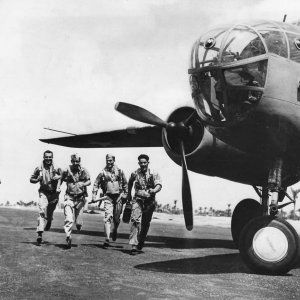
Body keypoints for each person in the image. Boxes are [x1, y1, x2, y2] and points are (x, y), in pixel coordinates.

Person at [127, 154, 162, 255]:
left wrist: (154, 190)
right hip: (138, 200)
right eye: (141, 163)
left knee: (145, 224)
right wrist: (129, 194)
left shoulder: (153, 174)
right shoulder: (135, 173)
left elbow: (159, 185)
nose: (143, 164)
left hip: (149, 201)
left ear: (148, 163)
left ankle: (141, 242)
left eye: (144, 163)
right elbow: (130, 183)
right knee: (134, 220)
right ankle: (133, 245)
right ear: (138, 163)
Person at [91, 154, 127, 248]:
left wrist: (125, 194)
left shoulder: (120, 171)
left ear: (114, 160)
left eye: (110, 160)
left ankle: (115, 229)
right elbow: (96, 184)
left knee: (116, 219)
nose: (109, 162)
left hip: (119, 197)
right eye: (107, 160)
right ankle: (107, 239)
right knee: (107, 218)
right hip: (108, 198)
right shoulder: (102, 173)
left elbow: (125, 184)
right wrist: (94, 195)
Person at [58, 153, 91, 249]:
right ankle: (68, 236)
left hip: (80, 199)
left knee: (79, 223)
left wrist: (83, 184)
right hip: (69, 197)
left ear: (79, 161)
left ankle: (79, 224)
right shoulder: (67, 170)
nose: (75, 163)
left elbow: (89, 181)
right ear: (71, 161)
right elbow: (61, 178)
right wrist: (58, 187)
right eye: (73, 161)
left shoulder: (84, 170)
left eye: (77, 161)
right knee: (69, 218)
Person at [30, 150, 62, 246]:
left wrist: (58, 177)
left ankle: (49, 220)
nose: (48, 159)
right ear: (44, 158)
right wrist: (37, 179)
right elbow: (31, 179)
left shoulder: (57, 168)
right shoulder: (39, 168)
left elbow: (63, 177)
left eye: (50, 157)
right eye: (46, 157)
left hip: (54, 194)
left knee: (49, 212)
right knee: (42, 210)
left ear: (52, 158)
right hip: (43, 192)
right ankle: (39, 233)